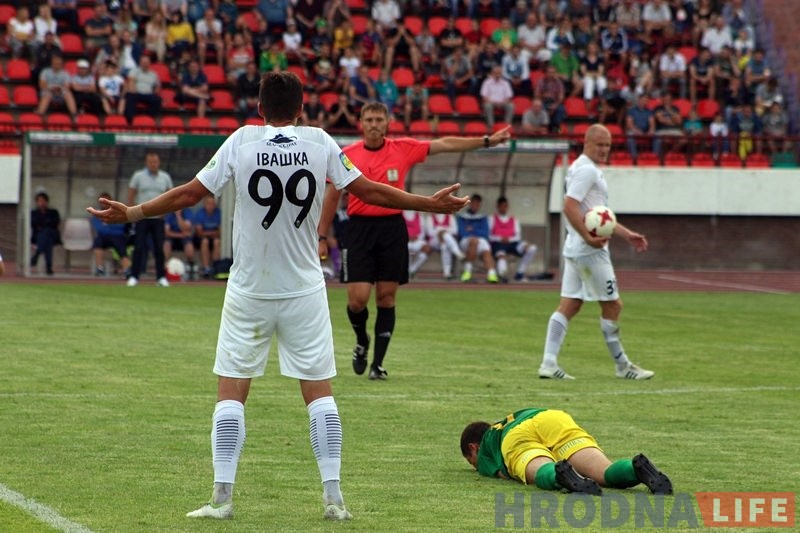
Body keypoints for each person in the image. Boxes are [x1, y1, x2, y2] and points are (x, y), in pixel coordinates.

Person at [87, 70, 470, 521]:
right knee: (320, 395)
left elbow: (191, 194)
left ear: (260, 110)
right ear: (302, 108)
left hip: (249, 290)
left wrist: (132, 212)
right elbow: (365, 190)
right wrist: (430, 202)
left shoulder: (242, 141)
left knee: (231, 392)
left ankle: (221, 499)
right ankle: (334, 500)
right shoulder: (321, 142)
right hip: (304, 290)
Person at [319, 103, 511, 381]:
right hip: (358, 230)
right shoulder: (347, 155)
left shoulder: (403, 148)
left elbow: (444, 143)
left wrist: (486, 141)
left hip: (392, 229)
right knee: (357, 300)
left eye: (379, 119)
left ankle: (378, 364)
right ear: (360, 122)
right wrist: (322, 236)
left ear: (387, 122)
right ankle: (362, 340)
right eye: (369, 119)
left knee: (386, 297)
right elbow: (332, 196)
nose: (374, 124)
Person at [538, 124, 654, 381]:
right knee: (613, 305)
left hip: (575, 247)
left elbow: (599, 215)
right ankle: (623, 366)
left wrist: (627, 234)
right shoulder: (587, 171)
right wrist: (589, 238)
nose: (604, 150)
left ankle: (548, 363)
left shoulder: (580, 167)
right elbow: (569, 206)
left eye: (608, 146)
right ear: (587, 142)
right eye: (599, 145)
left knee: (570, 304)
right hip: (589, 251)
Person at [460, 407, 673, 496]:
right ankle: (636, 469)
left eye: (472, 461)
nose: (476, 466)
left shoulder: (488, 444)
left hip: (515, 437)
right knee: (605, 473)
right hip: (551, 417)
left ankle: (562, 476)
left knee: (541, 469)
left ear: (473, 447)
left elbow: (501, 473)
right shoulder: (510, 417)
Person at [126, 151, 174, 287]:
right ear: (146, 163)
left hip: (158, 218)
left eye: (155, 162)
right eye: (151, 162)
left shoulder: (165, 177)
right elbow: (131, 194)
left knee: (159, 248)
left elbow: (170, 195)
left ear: (159, 163)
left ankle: (161, 277)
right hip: (142, 216)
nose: (153, 164)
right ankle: (134, 276)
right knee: (139, 247)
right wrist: (131, 212)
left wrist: (165, 211)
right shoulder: (138, 176)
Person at [489, 196, 538, 282]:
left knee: (531, 248)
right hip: (498, 244)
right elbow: (489, 235)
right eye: (501, 206)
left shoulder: (513, 219)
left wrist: (509, 239)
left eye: (505, 206)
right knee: (501, 255)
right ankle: (502, 275)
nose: (504, 208)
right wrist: (500, 238)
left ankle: (520, 273)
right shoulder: (492, 218)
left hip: (512, 243)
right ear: (498, 206)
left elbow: (518, 236)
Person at [456, 193, 500, 283]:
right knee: (473, 241)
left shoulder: (483, 217)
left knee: (486, 251)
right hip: (465, 241)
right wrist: (474, 232)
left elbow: (485, 233)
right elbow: (461, 232)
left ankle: (491, 274)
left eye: (478, 204)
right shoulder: (462, 217)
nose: (476, 206)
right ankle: (467, 272)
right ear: (470, 203)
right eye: (474, 203)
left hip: (480, 239)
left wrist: (472, 230)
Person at [91, 192, 131, 277]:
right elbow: (100, 229)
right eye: (102, 201)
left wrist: (108, 225)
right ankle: (100, 268)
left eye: (106, 200)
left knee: (121, 246)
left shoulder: (118, 212)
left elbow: (122, 226)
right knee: (98, 243)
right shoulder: (97, 214)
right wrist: (112, 224)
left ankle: (126, 270)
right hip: (104, 237)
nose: (104, 203)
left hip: (118, 236)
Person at [423, 213, 465, 280]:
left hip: (446, 241)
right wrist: (441, 232)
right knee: (444, 235)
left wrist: (441, 230)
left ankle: (447, 273)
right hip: (434, 241)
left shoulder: (450, 217)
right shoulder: (430, 218)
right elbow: (429, 232)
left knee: (445, 246)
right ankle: (457, 252)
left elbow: (455, 230)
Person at [30, 191, 61, 275]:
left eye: (43, 201)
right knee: (48, 241)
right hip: (38, 237)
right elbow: (34, 223)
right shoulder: (34, 213)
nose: (41, 203)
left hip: (53, 235)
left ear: (46, 202)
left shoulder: (53, 212)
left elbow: (55, 222)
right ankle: (48, 267)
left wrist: (43, 225)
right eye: (39, 201)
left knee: (47, 232)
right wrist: (46, 224)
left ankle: (37, 254)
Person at [194, 194, 222, 278]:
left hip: (214, 238)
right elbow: (199, 232)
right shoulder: (200, 213)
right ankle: (206, 268)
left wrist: (209, 233)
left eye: (212, 204)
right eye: (208, 204)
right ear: (204, 204)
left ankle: (215, 267)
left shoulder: (219, 213)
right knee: (205, 241)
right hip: (201, 239)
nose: (210, 206)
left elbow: (220, 232)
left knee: (217, 241)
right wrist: (212, 233)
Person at [164, 207, 196, 276]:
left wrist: (178, 216)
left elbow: (186, 228)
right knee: (166, 244)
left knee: (189, 245)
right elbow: (167, 232)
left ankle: (190, 265)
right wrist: (181, 235)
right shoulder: (169, 213)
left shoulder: (187, 212)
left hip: (184, 238)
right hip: (174, 237)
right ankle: (166, 266)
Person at [404, 210, 431, 278]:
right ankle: (407, 270)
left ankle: (413, 269)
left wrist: (417, 237)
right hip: (404, 240)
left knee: (427, 248)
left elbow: (423, 231)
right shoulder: (400, 214)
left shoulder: (419, 215)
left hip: (417, 240)